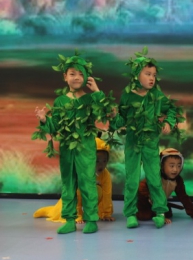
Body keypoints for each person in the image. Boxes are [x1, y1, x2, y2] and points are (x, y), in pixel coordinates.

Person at [33, 52, 115, 234]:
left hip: (86, 147)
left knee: (87, 182)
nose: (76, 77)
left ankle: (91, 219)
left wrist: (97, 91)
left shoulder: (91, 99)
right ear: (65, 77)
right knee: (68, 183)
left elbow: (107, 112)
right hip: (67, 147)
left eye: (80, 74)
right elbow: (55, 127)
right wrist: (44, 120)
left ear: (86, 77)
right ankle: (69, 219)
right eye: (72, 74)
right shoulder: (60, 101)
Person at [111, 47, 185, 229]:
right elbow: (120, 122)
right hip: (132, 143)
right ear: (136, 75)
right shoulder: (128, 96)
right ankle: (130, 214)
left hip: (151, 143)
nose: (152, 78)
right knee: (131, 179)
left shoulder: (157, 96)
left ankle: (160, 211)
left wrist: (168, 122)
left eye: (154, 75)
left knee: (153, 178)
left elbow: (171, 109)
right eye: (148, 74)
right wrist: (113, 116)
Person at [33, 137, 115, 224]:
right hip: (77, 197)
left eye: (104, 161)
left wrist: (105, 214)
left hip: (89, 197)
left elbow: (107, 194)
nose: (101, 165)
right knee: (73, 196)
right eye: (97, 161)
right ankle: (70, 213)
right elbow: (74, 195)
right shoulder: (80, 172)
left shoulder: (105, 174)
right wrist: (77, 215)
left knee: (99, 190)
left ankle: (97, 212)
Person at [136, 148, 193, 224]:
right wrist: (160, 214)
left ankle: (162, 208)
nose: (175, 169)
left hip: (160, 203)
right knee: (144, 216)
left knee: (168, 214)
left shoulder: (177, 180)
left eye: (179, 166)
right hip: (145, 202)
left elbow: (183, 197)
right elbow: (142, 192)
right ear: (161, 165)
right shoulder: (154, 178)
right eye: (171, 166)